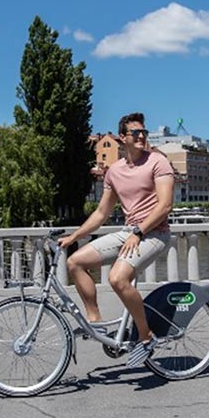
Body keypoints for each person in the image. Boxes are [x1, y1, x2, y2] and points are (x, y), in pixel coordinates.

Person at [58, 112, 174, 367]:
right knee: (76, 262)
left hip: (155, 232)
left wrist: (139, 232)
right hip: (129, 231)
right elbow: (101, 213)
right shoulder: (114, 171)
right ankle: (96, 322)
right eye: (136, 133)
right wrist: (75, 236)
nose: (142, 136)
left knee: (117, 278)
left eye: (144, 132)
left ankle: (146, 337)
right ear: (123, 138)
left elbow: (165, 206)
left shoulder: (158, 162)